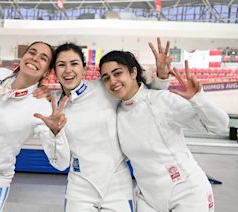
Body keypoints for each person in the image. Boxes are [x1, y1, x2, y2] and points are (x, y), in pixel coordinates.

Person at [99, 49, 229, 212]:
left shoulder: (162, 101)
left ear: (133, 72)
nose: (113, 81)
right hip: (148, 199)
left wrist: (199, 99)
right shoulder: (116, 113)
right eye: (106, 78)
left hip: (187, 193)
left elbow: (219, 125)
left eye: (117, 73)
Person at [50, 40, 171, 212]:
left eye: (74, 63)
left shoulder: (104, 87)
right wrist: (54, 133)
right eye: (61, 65)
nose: (68, 70)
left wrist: (161, 78)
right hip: (79, 189)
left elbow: (142, 99)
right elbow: (59, 162)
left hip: (118, 187)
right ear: (55, 71)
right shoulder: (52, 104)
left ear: (84, 68)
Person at [0, 41, 70, 212]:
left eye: (43, 58)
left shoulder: (41, 107)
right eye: (32, 52)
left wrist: (56, 133)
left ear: (47, 71)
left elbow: (61, 163)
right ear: (23, 57)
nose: (35, 58)